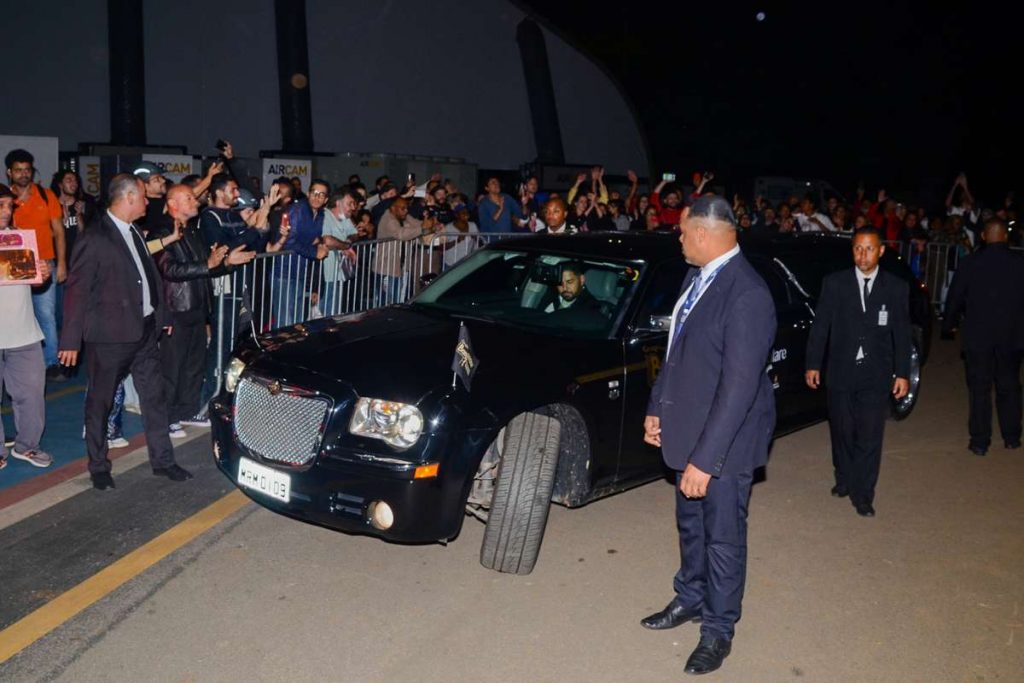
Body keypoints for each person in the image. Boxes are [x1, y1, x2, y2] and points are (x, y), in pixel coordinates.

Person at [641, 196, 776, 676]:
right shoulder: (697, 278)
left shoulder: (747, 294)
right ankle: (690, 598)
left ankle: (718, 630)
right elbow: (676, 351)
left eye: (681, 231)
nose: (677, 238)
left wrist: (706, 460)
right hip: (688, 431)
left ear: (703, 232)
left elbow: (739, 388)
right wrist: (658, 407)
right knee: (691, 527)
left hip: (724, 444)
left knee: (722, 539)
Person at [58, 174, 193, 490]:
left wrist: (162, 315)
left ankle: (163, 461)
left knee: (154, 398)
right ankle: (99, 467)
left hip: (144, 331)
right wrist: (69, 340)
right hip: (109, 337)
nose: (148, 203)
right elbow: (77, 291)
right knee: (100, 403)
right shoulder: (95, 237)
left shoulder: (133, 231)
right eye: (144, 197)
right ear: (129, 197)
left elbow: (149, 277)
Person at [805, 226, 911, 516]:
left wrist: (902, 372)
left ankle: (863, 493)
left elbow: (902, 334)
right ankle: (844, 478)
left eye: (869, 249)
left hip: (876, 374)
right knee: (842, 430)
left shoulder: (896, 287)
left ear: (881, 251)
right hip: (840, 370)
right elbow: (821, 327)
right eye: (857, 249)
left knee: (869, 434)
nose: (863, 255)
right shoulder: (835, 283)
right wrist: (813, 363)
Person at [941, 217, 1024, 455]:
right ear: (1006, 237)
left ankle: (980, 440)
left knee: (979, 388)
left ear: (984, 237)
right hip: (1012, 336)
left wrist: (949, 324)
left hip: (979, 337)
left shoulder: (970, 263)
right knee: (1009, 385)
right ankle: (1011, 436)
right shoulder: (1020, 263)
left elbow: (955, 296)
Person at [0, 183, 54, 469]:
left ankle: (27, 446)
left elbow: (35, 281)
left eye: (9, 205)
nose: (6, 211)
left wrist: (42, 273)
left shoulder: (20, 240)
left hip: (24, 332)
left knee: (32, 393)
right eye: (1, 205)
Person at [5, 149, 66, 381]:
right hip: (12, 267)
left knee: (46, 315)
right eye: (18, 170)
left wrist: (61, 264)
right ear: (9, 172)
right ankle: (14, 363)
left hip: (44, 264)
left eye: (27, 170)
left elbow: (59, 231)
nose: (23, 174)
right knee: (15, 315)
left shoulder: (46, 195)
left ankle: (51, 363)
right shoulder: (5, 199)